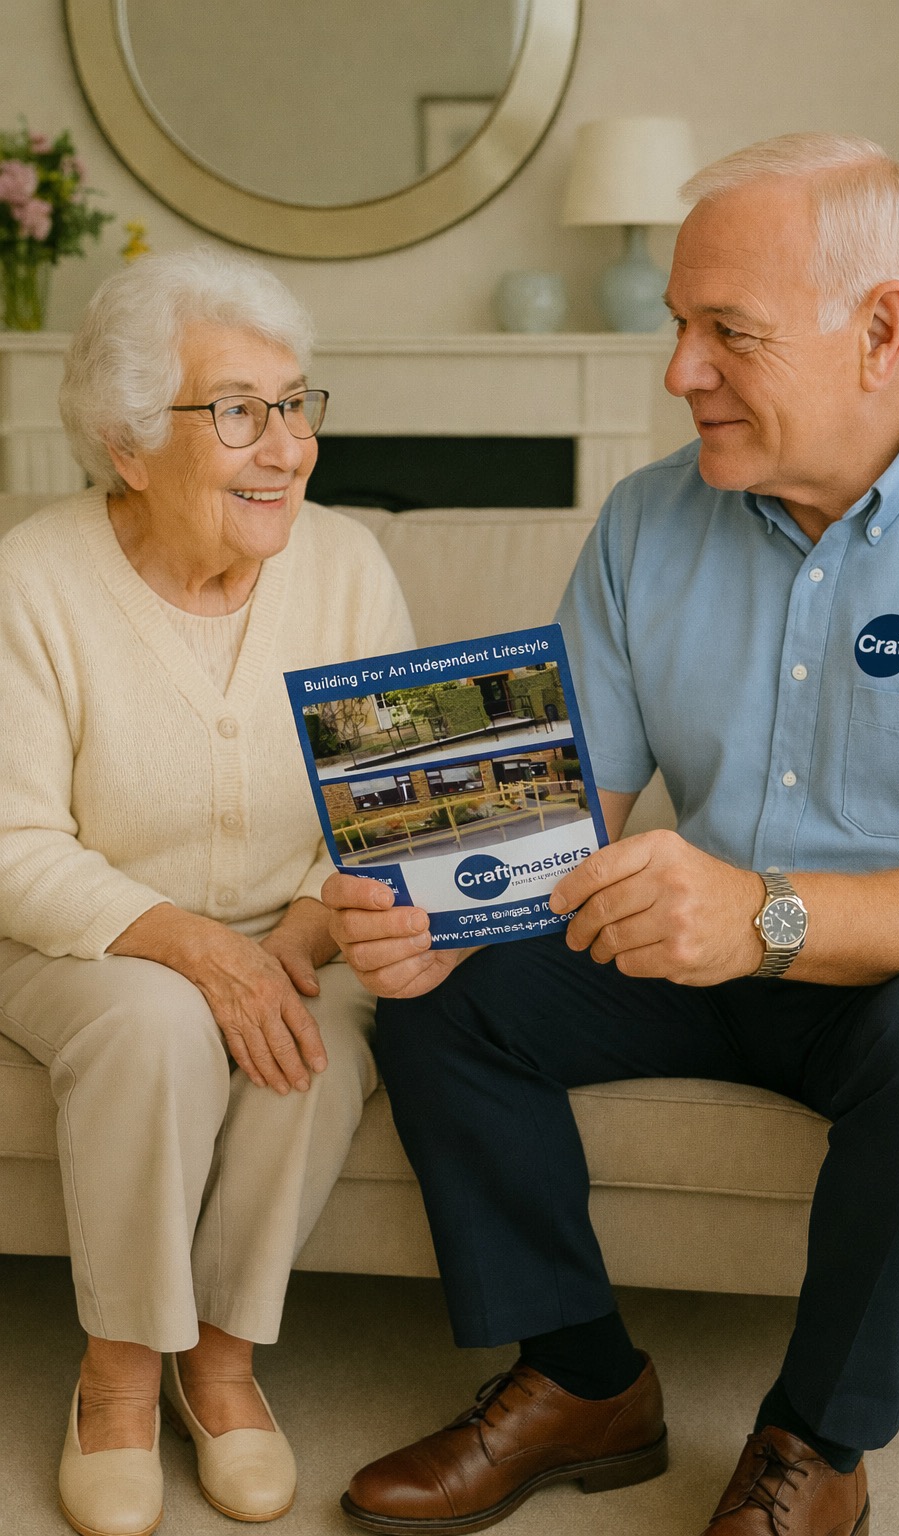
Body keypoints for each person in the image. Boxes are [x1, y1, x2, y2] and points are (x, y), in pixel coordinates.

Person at [322, 132, 899, 1536]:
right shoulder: (649, 518)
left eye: (728, 332)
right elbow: (562, 815)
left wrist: (766, 916)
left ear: (880, 330)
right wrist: (424, 909)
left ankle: (815, 1445)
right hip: (695, 952)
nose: (678, 371)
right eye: (677, 325)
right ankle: (582, 1380)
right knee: (446, 998)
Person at [0, 249, 413, 1536]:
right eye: (237, 412)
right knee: (158, 1024)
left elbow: (386, 812)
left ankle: (220, 1364)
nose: (285, 447)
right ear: (128, 445)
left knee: (313, 1039)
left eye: (294, 405)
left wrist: (300, 929)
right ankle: (119, 1376)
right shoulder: (34, 577)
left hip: (297, 930)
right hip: (80, 938)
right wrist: (191, 946)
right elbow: (10, 842)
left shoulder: (347, 567)